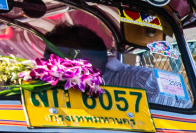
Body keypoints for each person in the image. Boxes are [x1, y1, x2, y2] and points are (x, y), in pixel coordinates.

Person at [46, 23, 182, 107]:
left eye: (55, 59)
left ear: (82, 57)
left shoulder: (143, 79)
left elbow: (172, 131)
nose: (50, 66)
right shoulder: (57, 87)